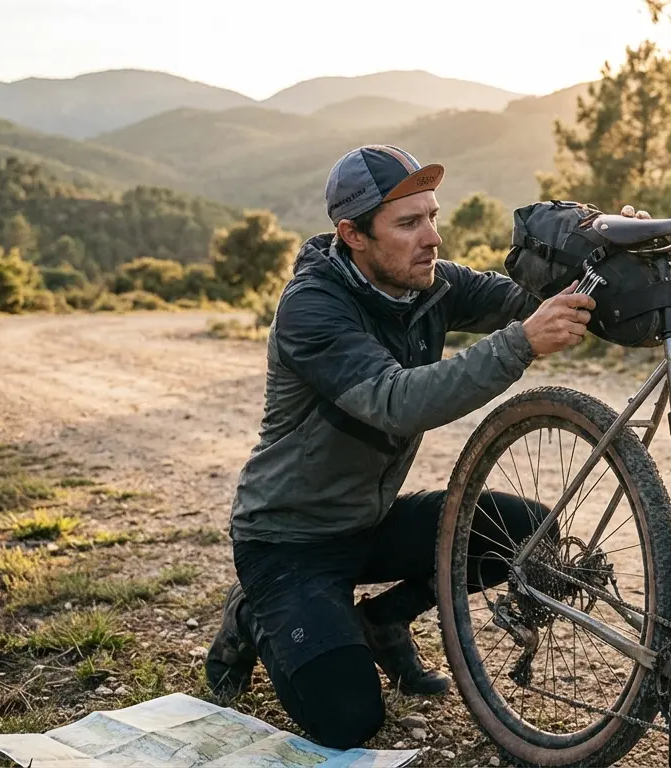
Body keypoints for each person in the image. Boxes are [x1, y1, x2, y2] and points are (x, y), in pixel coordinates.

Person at [204, 144, 646, 750]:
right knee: (349, 718)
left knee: (526, 533)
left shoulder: (432, 284)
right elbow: (396, 401)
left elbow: (529, 304)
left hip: (370, 523)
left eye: (432, 217)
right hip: (289, 541)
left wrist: (607, 254)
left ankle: (382, 621)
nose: (432, 238)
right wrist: (521, 344)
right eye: (409, 224)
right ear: (352, 235)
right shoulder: (312, 307)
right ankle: (253, 613)